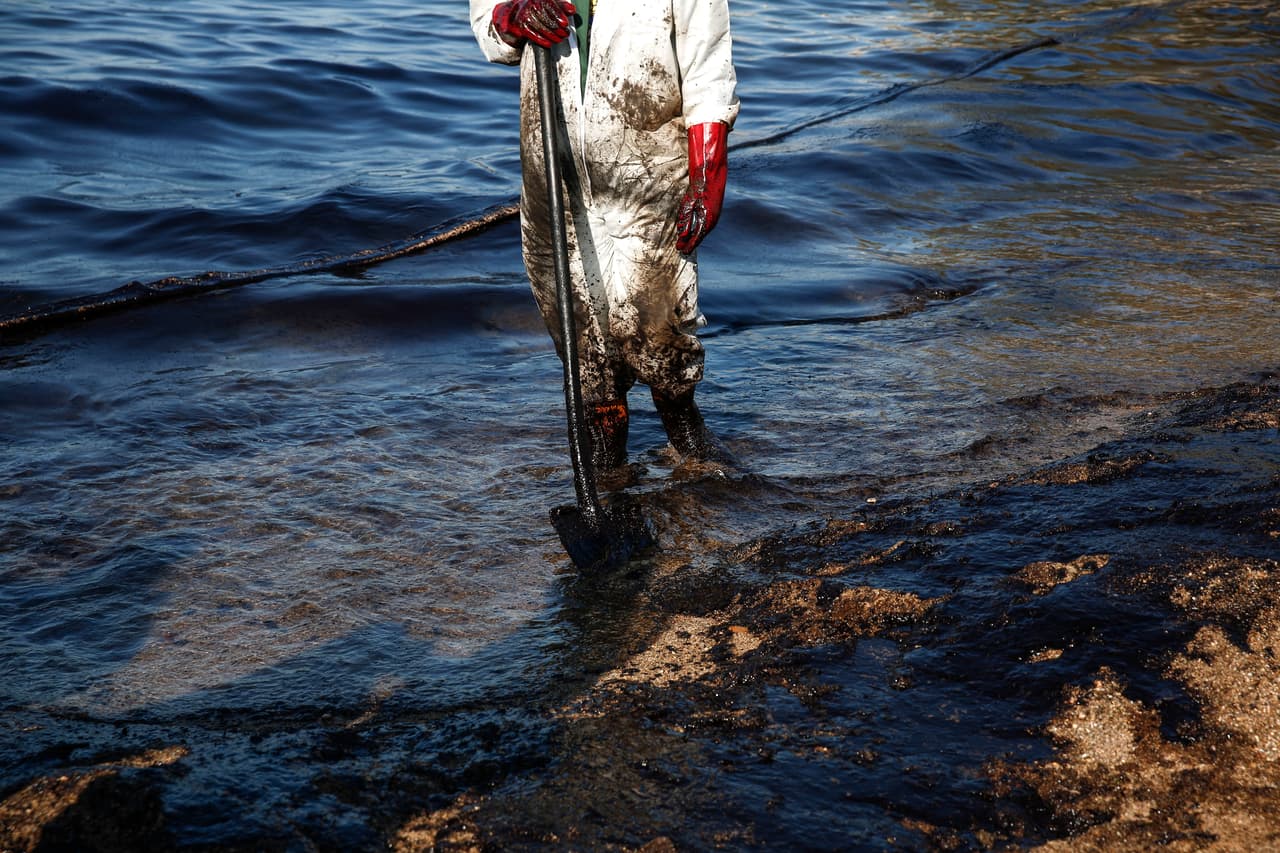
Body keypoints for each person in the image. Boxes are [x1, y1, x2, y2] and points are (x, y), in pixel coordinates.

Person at [469, 0, 739, 479]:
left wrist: (707, 176)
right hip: (554, 171)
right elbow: (492, 32)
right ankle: (609, 468)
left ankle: (691, 445)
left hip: (647, 168)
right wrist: (513, 16)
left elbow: (707, 66)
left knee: (657, 323)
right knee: (579, 331)